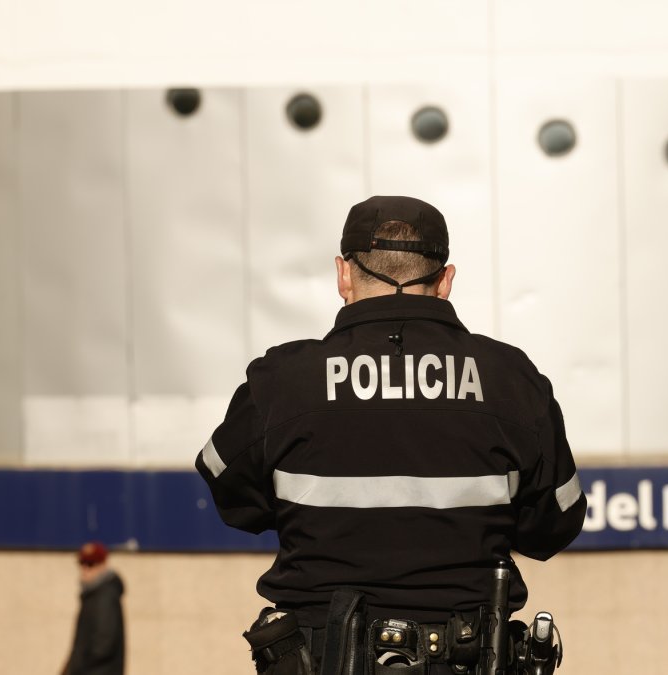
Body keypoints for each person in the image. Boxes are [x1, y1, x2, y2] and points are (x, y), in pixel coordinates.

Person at [196, 195, 587, 674]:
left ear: (343, 275)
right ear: (445, 281)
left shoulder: (280, 382)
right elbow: (554, 525)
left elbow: (231, 495)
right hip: (466, 657)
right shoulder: (510, 379)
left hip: (321, 659)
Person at [61, 541, 126, 675]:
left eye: (90, 564)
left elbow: (103, 644)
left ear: (103, 565)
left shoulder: (105, 596)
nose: (85, 569)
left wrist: (77, 668)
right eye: (82, 564)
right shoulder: (93, 595)